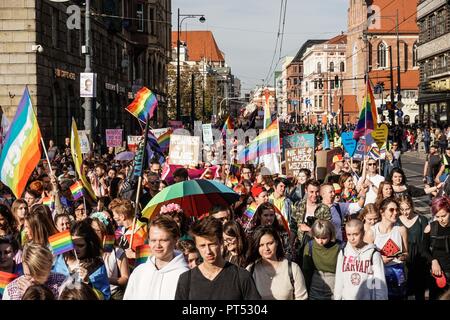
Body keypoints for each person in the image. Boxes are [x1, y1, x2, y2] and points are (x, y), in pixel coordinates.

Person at [175, 216, 261, 300]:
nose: (208, 251)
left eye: (212, 244)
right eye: (202, 246)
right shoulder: (186, 280)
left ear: (221, 242)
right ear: (196, 246)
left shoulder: (241, 277)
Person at [124, 216, 188, 300]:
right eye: (153, 240)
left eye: (163, 240)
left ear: (175, 240)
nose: (157, 245)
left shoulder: (185, 276)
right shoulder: (139, 272)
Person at [246, 225, 308, 300]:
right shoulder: (251, 270)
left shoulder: (293, 269)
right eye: (261, 245)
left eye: (270, 243)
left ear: (277, 242)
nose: (266, 248)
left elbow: (302, 298)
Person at [365, 198, 409, 300]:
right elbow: (364, 258)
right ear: (382, 212)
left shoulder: (401, 230)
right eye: (391, 210)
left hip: (397, 272)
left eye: (397, 210)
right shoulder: (372, 232)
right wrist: (380, 260)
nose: (395, 213)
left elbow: (407, 253)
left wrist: (403, 256)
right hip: (378, 275)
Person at [334, 219, 388, 300]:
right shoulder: (343, 252)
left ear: (363, 233)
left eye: (355, 234)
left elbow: (379, 282)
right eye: (349, 234)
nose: (352, 238)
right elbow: (339, 280)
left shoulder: (373, 254)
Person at [64, 220, 111, 300]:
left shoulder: (96, 265)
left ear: (89, 244)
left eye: (80, 245)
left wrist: (87, 283)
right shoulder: (62, 260)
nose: (75, 249)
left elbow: (105, 296)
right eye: (73, 245)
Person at [290, 179, 331, 265]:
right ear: (306, 191)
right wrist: (290, 245)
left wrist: (309, 229)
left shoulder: (324, 209)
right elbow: (293, 227)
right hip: (300, 248)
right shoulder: (298, 205)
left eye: (317, 192)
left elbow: (328, 231)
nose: (314, 195)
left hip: (318, 248)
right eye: (311, 192)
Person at [90, 214, 129, 300]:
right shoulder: (89, 250)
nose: (94, 233)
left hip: (113, 295)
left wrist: (107, 279)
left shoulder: (117, 251)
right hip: (94, 294)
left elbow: (125, 278)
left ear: (105, 232)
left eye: (97, 230)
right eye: (92, 230)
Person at [397, 196, 429, 300]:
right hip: (403, 260)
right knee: (403, 292)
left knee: (419, 292)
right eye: (402, 209)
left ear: (412, 206)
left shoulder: (422, 220)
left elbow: (425, 242)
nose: (405, 212)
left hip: (419, 259)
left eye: (407, 209)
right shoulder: (396, 222)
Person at [302, 220, 340, 300]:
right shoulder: (310, 246)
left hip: (334, 284)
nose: (320, 241)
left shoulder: (339, 247)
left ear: (331, 234)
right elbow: (306, 270)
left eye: (324, 238)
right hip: (315, 283)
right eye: (317, 237)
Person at [422, 196, 450, 299]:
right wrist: (433, 261)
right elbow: (423, 250)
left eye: (443, 216)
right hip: (438, 273)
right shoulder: (430, 228)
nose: (441, 220)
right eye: (437, 217)